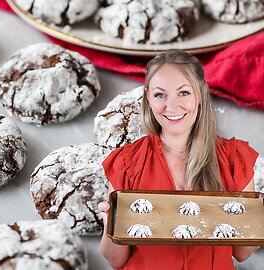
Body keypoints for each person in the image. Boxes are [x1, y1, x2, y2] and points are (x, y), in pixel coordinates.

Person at [97, 49, 260, 270]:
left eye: (183, 93)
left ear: (200, 94)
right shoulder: (128, 163)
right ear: (148, 97)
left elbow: (242, 252)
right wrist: (110, 224)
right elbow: (115, 260)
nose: (172, 107)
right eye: (160, 94)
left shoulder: (233, 160)